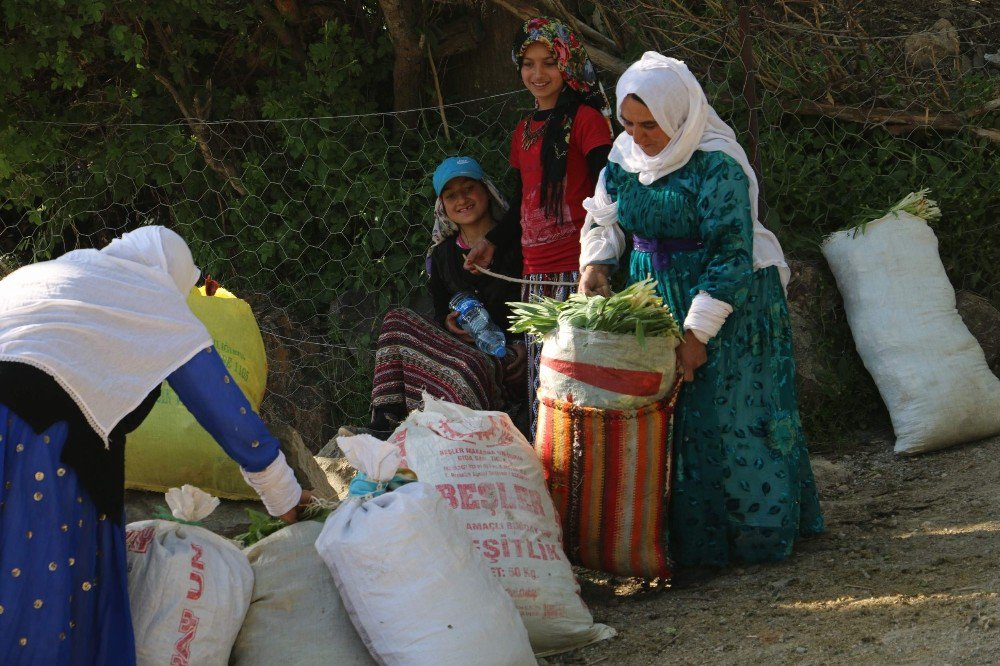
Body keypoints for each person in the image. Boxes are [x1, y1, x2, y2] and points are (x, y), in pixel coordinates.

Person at [0, 226, 310, 664]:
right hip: (39, 445)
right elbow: (224, 410)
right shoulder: (152, 291)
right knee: (39, 594)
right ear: (175, 274)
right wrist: (285, 496)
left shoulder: (44, 273)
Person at [578, 53, 824, 568]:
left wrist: (696, 336)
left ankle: (752, 537)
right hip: (657, 295)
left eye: (651, 125)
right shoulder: (623, 157)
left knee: (730, 417)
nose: (639, 135)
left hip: (730, 303)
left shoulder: (717, 165)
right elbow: (605, 219)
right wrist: (598, 263)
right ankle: (688, 544)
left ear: (679, 117)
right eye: (628, 123)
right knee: (674, 421)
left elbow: (730, 256)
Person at [464, 16, 614, 435]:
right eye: (528, 64)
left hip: (583, 268)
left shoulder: (586, 121)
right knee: (544, 377)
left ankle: (590, 468)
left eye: (548, 62)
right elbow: (520, 204)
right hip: (536, 274)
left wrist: (601, 257)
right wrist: (491, 242)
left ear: (567, 64)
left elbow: (608, 189)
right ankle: (551, 466)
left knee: (582, 376)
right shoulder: (523, 130)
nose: (537, 74)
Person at [359, 156, 527, 437]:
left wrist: (525, 344)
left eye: (468, 189)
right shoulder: (442, 255)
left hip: (505, 354)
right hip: (460, 350)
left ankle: (465, 440)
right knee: (396, 321)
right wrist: (448, 322)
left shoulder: (517, 245)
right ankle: (386, 423)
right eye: (451, 196)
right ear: (443, 208)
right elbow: (439, 312)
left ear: (487, 190)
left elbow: (537, 302)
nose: (462, 199)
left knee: (468, 371)